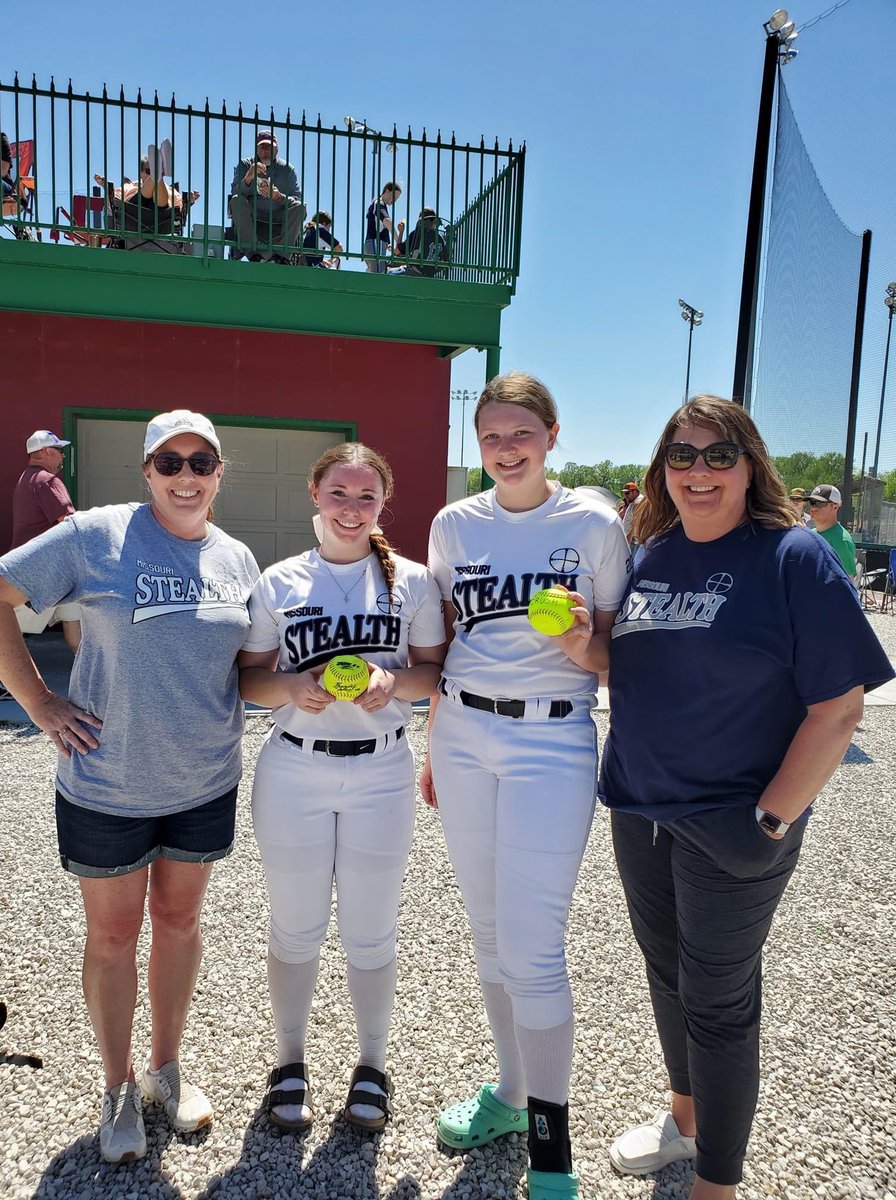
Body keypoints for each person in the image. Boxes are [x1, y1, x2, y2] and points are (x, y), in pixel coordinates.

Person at [599, 396, 893, 1198]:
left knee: (720, 1001)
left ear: (750, 465)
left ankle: (718, 1185)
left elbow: (839, 709)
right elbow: (636, 665)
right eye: (682, 456)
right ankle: (686, 1123)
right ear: (663, 470)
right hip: (638, 804)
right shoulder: (652, 554)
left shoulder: (792, 556)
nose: (699, 472)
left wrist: (770, 818)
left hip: (733, 821)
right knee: (666, 971)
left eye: (718, 455)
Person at [0, 410, 259, 1165]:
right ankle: (116, 1086)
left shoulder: (237, 559)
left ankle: (166, 1069)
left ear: (220, 472)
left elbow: (246, 670)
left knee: (179, 925)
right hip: (106, 786)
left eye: (201, 461)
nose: (186, 476)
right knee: (114, 937)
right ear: (146, 472)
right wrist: (40, 703)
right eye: (169, 462)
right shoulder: (96, 536)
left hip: (204, 781)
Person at [421, 372, 632, 1200]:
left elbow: (619, 657)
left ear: (551, 435)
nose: (507, 450)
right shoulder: (453, 524)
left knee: (535, 947)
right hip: (466, 733)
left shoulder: (592, 521)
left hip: (552, 736)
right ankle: (512, 1094)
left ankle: (552, 1147)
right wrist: (437, 744)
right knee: (486, 931)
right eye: (492, 438)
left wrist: (583, 646)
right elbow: (445, 653)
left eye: (522, 435)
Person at [239, 442, 446, 1134]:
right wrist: (292, 686)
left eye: (367, 496)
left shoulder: (411, 580)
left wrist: (397, 682)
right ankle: (290, 1061)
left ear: (384, 504)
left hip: (382, 768)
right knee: (294, 926)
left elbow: (432, 672)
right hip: (295, 765)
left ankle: (372, 1065)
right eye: (339, 493)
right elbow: (249, 681)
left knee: (370, 931)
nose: (352, 508)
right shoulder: (279, 581)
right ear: (313, 493)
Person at [9, 430, 80, 655]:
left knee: (74, 621)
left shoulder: (26, 479)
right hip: (42, 570)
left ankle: (93, 677)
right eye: (59, 451)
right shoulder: (47, 480)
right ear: (45, 452)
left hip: (49, 568)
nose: (63, 457)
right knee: (10, 629)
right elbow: (68, 523)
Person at [230, 129, 305, 263]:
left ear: (277, 149)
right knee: (236, 201)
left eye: (270, 146)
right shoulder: (245, 164)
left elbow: (297, 199)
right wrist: (248, 178)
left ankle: (282, 257)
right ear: (257, 148)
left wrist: (279, 197)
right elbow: (235, 194)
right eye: (263, 146)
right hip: (252, 218)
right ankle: (254, 254)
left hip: (278, 219)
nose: (266, 150)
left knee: (299, 207)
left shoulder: (287, 169)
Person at [808, 484, 857, 582]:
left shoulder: (841, 540)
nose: (813, 508)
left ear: (835, 507)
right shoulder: (809, 534)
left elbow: (847, 582)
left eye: (820, 503)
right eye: (812, 503)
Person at [364, 182, 404, 273]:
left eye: (396, 199)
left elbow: (380, 226)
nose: (394, 201)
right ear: (386, 191)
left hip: (376, 244)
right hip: (375, 243)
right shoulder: (379, 203)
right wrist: (398, 241)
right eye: (394, 197)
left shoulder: (381, 205)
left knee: (379, 272)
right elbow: (387, 221)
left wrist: (388, 244)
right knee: (378, 275)